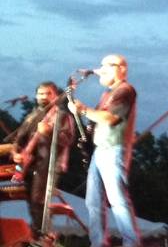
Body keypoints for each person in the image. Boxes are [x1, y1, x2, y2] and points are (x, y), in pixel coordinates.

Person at [68, 54, 141, 247]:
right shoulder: (107, 94)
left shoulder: (125, 90)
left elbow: (110, 118)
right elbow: (98, 118)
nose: (100, 69)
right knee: (93, 202)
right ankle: (98, 243)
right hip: (101, 151)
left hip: (114, 149)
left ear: (121, 69)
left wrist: (82, 110)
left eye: (106, 66)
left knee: (117, 199)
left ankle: (131, 243)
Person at [11, 81, 75, 241]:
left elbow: (68, 139)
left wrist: (50, 131)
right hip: (29, 164)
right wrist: (15, 153)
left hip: (49, 164)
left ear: (55, 96)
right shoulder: (32, 115)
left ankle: (44, 236)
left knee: (38, 200)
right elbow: (18, 139)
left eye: (48, 93)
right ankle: (38, 235)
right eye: (40, 94)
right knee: (31, 202)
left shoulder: (62, 116)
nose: (44, 97)